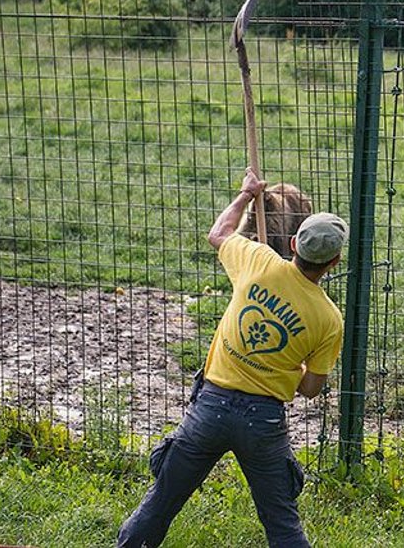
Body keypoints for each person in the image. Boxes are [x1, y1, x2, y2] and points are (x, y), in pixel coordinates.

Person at [118, 168, 347, 548]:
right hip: (263, 423)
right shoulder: (329, 319)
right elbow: (310, 389)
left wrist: (245, 194)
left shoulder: (257, 260)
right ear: (334, 262)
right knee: (282, 525)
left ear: (293, 243)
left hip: (209, 409)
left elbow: (218, 234)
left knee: (160, 504)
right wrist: (291, 362)